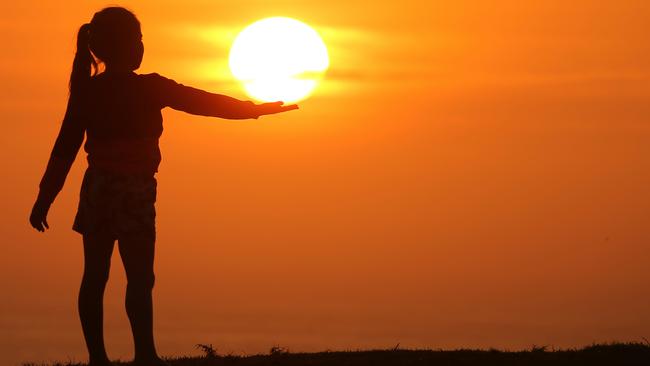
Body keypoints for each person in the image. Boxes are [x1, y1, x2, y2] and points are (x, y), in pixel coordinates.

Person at [28, 6, 297, 366]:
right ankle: (145, 355)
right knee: (139, 277)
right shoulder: (148, 87)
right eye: (138, 39)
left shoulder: (88, 91)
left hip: (98, 191)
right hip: (134, 193)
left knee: (95, 275)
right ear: (124, 46)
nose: (142, 46)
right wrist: (250, 110)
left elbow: (64, 150)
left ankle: (99, 358)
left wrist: (45, 198)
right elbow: (202, 102)